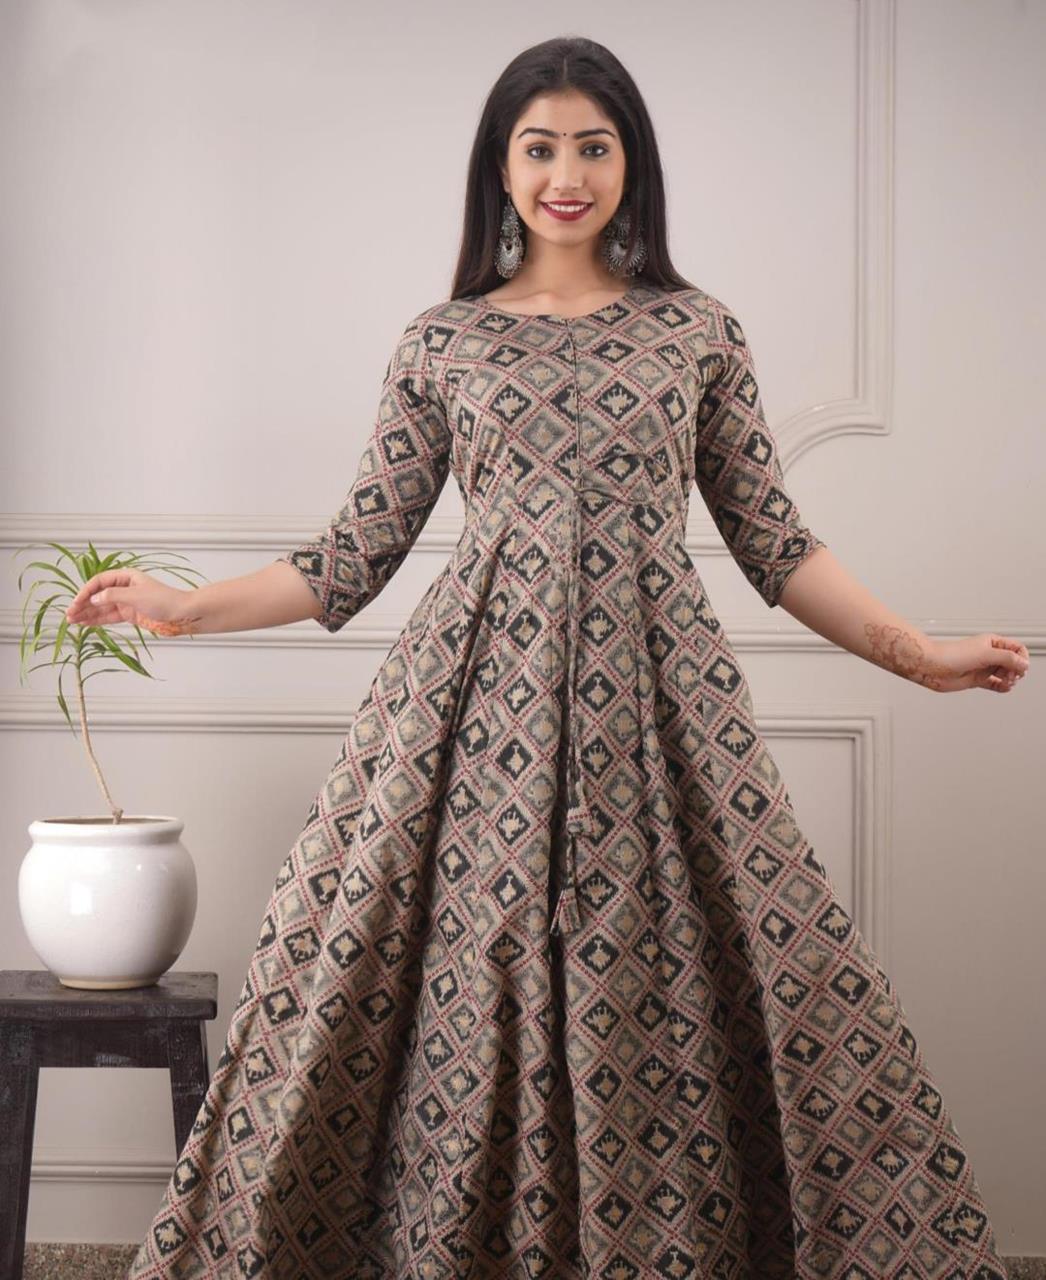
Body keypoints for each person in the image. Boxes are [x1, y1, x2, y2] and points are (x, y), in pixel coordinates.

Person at [66, 34, 1025, 1280]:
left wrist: (916, 654)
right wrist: (184, 608)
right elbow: (353, 552)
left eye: (591, 146)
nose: (565, 175)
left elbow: (774, 540)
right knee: (439, 987)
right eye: (538, 148)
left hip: (661, 709)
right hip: (468, 716)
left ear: (630, 164)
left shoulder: (696, 331)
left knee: (712, 988)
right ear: (500, 168)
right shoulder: (442, 341)